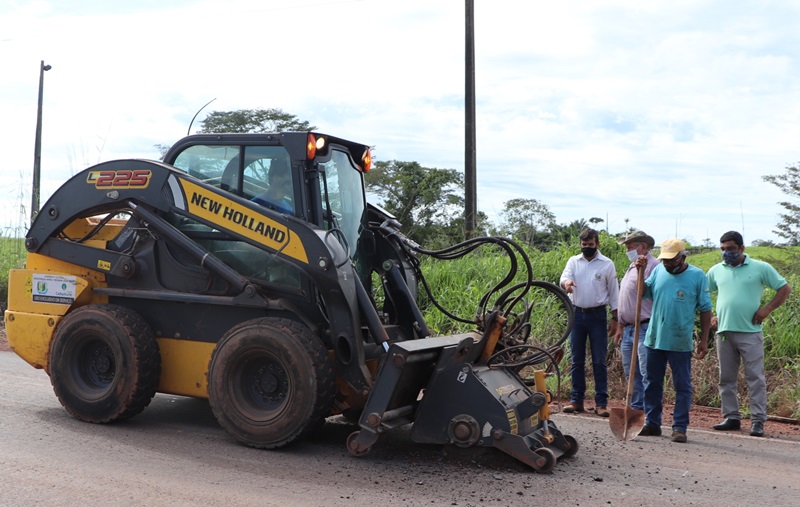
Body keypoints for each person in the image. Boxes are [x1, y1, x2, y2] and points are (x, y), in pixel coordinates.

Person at [706, 231, 791, 437]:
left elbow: (784, 289)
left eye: (731, 249)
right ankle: (732, 417)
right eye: (723, 249)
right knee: (726, 378)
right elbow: (704, 293)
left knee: (755, 378)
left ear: (742, 248)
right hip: (724, 332)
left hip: (750, 332)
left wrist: (766, 309)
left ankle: (758, 420)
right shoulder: (716, 270)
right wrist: (711, 316)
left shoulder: (761, 268)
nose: (727, 253)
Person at [635, 238, 712, 443]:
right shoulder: (658, 270)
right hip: (654, 339)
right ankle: (652, 423)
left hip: (679, 341)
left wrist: (704, 340)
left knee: (682, 385)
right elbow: (642, 293)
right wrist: (639, 273)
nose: (667, 264)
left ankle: (679, 427)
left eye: (672, 260)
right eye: (665, 260)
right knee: (652, 383)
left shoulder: (697, 276)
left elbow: (705, 309)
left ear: (683, 256)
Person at [559, 228, 619, 417]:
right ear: (580, 244)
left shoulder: (607, 264)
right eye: (584, 245)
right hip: (577, 315)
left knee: (599, 361)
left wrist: (615, 318)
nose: (587, 248)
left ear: (597, 244)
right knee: (576, 360)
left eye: (590, 245)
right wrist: (566, 284)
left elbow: (614, 293)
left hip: (598, 316)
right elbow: (564, 278)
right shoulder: (574, 261)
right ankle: (576, 401)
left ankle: (601, 403)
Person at [613, 230, 660, 412]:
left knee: (645, 372)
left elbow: (647, 294)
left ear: (643, 247)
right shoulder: (632, 266)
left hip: (644, 327)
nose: (627, 250)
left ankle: (648, 413)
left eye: (630, 246)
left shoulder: (653, 266)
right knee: (631, 373)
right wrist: (620, 326)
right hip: (628, 329)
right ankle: (635, 409)